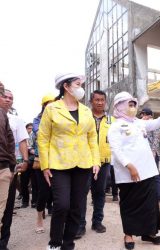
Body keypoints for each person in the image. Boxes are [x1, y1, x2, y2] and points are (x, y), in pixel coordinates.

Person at [108, 92, 160, 250]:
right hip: (129, 174)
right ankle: (128, 234)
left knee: (151, 204)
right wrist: (129, 165)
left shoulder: (139, 123)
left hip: (148, 171)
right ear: (120, 106)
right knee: (129, 205)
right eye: (130, 104)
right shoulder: (115, 126)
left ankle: (149, 232)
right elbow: (116, 149)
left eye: (134, 104)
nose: (133, 108)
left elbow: (155, 123)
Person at [37, 73, 100, 250]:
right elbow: (43, 138)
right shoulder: (52, 109)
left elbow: (92, 138)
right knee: (62, 205)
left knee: (77, 207)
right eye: (78, 84)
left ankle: (68, 243)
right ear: (66, 86)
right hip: (59, 164)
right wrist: (45, 165)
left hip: (83, 164)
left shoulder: (86, 111)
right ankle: (55, 243)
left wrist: (96, 162)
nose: (81, 88)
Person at [77, 90, 115, 238]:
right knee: (81, 194)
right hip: (85, 162)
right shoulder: (84, 117)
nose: (100, 102)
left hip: (104, 162)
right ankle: (80, 225)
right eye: (97, 100)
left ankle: (97, 222)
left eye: (102, 100)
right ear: (91, 101)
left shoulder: (112, 120)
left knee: (99, 193)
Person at [0, 89, 29, 250]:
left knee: (7, 206)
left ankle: (3, 242)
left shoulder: (16, 120)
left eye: (11, 98)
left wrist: (25, 160)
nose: (8, 100)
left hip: (8, 167)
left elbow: (22, 141)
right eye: (5, 96)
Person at [33, 93, 55, 234]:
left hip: (58, 159)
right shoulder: (37, 120)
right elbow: (40, 133)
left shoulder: (61, 116)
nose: (51, 105)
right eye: (48, 103)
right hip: (41, 160)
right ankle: (39, 217)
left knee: (58, 192)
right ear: (44, 106)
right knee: (44, 191)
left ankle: (58, 221)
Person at [0, 82, 15, 245]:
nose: (7, 99)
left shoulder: (4, 116)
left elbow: (12, 142)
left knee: (3, 212)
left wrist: (11, 166)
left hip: (3, 168)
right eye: (4, 96)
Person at [140, 108, 160, 202]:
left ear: (146, 115)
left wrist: (153, 152)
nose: (141, 117)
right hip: (144, 153)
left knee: (155, 174)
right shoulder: (142, 124)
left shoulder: (154, 124)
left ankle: (158, 196)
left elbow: (156, 139)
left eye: (142, 115)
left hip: (152, 154)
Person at [20, 122, 38, 208]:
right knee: (23, 182)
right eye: (28, 128)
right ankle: (25, 201)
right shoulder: (22, 138)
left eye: (31, 128)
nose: (30, 130)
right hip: (24, 161)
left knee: (35, 183)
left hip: (33, 161)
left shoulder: (35, 136)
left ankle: (34, 201)